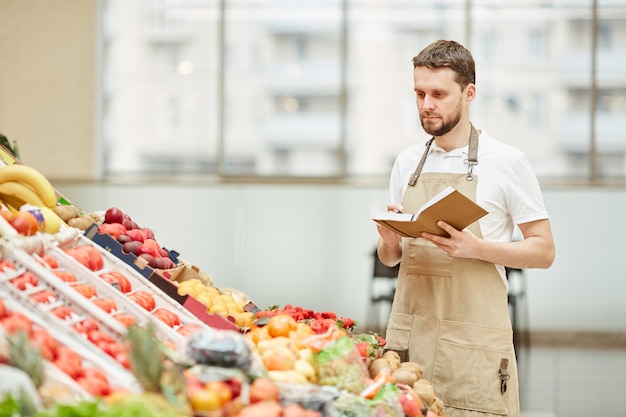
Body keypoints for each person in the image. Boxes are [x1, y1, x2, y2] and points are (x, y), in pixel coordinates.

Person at [376, 39, 555, 417]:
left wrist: (477, 248)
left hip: (473, 346)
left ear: (469, 92)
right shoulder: (406, 163)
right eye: (420, 93)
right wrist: (390, 241)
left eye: (439, 93)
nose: (427, 104)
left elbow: (544, 250)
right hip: (410, 339)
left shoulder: (507, 162)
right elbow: (391, 260)